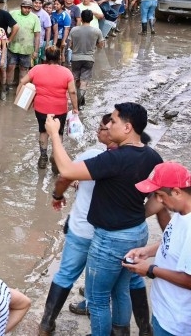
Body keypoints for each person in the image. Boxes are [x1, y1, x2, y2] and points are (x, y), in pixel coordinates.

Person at [46, 103, 164, 336]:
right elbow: (160, 197)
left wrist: (54, 135)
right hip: (136, 232)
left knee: (98, 298)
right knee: (121, 289)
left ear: (128, 127)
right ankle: (121, 332)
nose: (109, 126)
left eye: (114, 121)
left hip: (110, 238)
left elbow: (66, 171)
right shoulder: (152, 156)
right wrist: (136, 215)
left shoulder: (113, 159)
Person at [124, 162, 191, 336]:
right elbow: (171, 240)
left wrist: (150, 270)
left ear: (177, 192)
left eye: (160, 195)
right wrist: (147, 251)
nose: (158, 201)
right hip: (164, 310)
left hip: (177, 323)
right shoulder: (182, 213)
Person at [17, 45, 78, 171]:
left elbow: (23, 82)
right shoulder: (66, 72)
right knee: (58, 133)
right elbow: (72, 92)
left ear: (46, 57)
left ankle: (43, 157)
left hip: (41, 108)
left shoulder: (37, 69)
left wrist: (19, 98)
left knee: (43, 131)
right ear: (59, 57)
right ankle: (56, 156)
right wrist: (75, 108)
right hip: (60, 109)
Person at [68, 10, 104, 107]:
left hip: (75, 58)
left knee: (76, 79)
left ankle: (78, 101)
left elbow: (70, 44)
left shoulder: (74, 30)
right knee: (84, 82)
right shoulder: (97, 31)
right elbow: (101, 45)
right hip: (89, 59)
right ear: (91, 19)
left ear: (81, 18)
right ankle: (79, 103)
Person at [5, 0, 41, 97]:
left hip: (27, 49)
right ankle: (7, 88)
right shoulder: (13, 14)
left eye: (29, 8)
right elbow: (7, 28)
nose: (27, 10)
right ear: (21, 7)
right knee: (10, 67)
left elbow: (37, 36)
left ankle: (21, 90)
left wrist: (36, 51)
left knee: (24, 69)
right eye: (25, 7)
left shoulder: (35, 18)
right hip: (13, 47)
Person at [51, 0, 73, 64]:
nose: (55, 5)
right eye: (55, 4)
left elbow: (67, 29)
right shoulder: (52, 13)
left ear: (62, 5)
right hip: (53, 37)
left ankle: (61, 65)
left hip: (62, 37)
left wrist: (63, 41)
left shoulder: (65, 15)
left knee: (61, 53)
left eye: (57, 4)